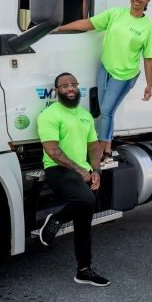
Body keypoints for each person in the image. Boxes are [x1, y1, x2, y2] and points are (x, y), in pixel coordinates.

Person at [55, 0, 152, 160]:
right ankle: (108, 147)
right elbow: (89, 23)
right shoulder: (116, 14)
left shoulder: (148, 27)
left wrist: (149, 84)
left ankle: (100, 151)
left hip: (124, 75)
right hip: (105, 68)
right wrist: (61, 28)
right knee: (105, 111)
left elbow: (149, 58)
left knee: (107, 111)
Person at [37, 72, 110, 287]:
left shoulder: (85, 115)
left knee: (84, 223)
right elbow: (52, 150)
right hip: (58, 170)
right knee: (86, 200)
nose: (70, 88)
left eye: (73, 84)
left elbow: (93, 146)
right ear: (57, 90)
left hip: (83, 171)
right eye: (64, 85)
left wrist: (96, 170)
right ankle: (56, 219)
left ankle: (84, 270)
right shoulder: (49, 114)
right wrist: (79, 170)